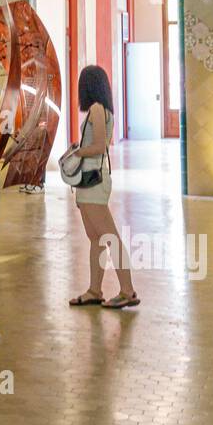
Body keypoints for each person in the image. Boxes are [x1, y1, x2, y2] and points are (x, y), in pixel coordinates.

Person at [67, 65, 138, 309]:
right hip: (89, 181)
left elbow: (99, 146)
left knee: (109, 237)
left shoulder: (97, 110)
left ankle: (127, 291)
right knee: (96, 237)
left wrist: (77, 151)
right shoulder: (102, 110)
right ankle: (94, 290)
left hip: (93, 180)